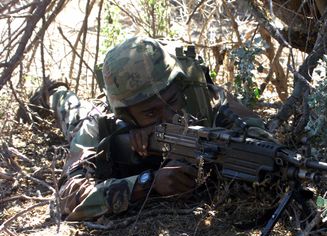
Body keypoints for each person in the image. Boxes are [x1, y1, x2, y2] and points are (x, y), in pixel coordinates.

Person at [34, 36, 268, 221]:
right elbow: (68, 197)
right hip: (96, 118)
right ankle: (52, 89)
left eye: (172, 101)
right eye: (150, 112)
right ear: (126, 115)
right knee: (73, 110)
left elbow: (258, 137)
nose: (170, 117)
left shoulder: (203, 97)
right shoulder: (100, 123)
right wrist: (148, 183)